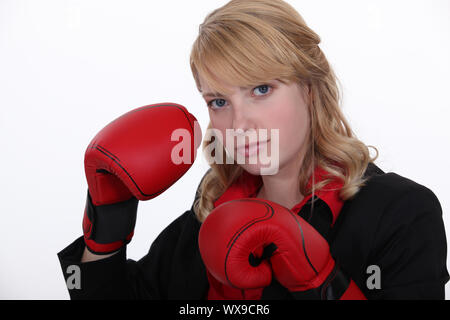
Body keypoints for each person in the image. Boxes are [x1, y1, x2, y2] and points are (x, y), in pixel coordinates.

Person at [58, 0, 449, 300]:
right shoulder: (212, 208)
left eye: (261, 89)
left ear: (310, 90)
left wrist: (322, 283)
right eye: (218, 101)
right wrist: (104, 230)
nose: (239, 125)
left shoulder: (401, 213)